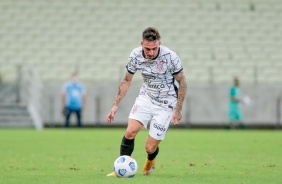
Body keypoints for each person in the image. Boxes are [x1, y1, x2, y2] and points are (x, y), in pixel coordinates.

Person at [106, 27, 187, 176]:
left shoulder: (170, 57)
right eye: (147, 49)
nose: (151, 52)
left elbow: (182, 82)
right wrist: (115, 105)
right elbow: (126, 80)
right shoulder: (135, 55)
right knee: (130, 132)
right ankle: (120, 170)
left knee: (150, 148)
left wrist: (178, 110)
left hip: (166, 103)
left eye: (154, 48)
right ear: (141, 44)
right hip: (146, 97)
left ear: (159, 44)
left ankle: (150, 160)